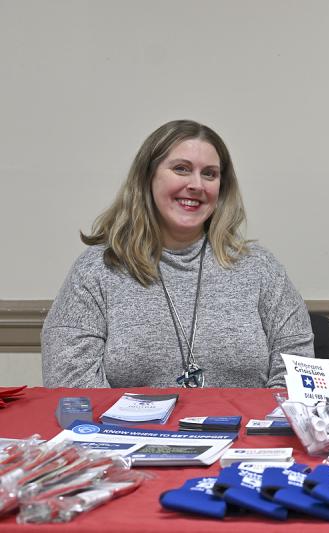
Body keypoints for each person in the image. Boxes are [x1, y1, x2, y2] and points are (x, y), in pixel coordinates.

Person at [42, 120, 314, 388]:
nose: (196, 184)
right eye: (181, 169)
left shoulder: (260, 267)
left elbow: (299, 368)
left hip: (244, 430)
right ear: (147, 177)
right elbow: (69, 379)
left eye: (209, 174)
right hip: (129, 432)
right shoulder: (97, 269)